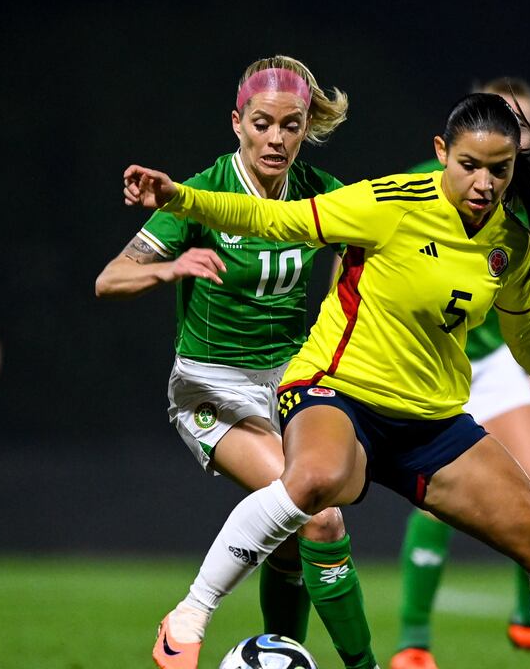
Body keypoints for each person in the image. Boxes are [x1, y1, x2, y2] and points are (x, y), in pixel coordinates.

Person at [123, 92, 530, 669]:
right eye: (469, 164)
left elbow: (529, 340)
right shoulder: (386, 201)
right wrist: (181, 198)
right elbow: (272, 219)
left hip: (431, 423)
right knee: (315, 483)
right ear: (441, 152)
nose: (484, 182)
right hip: (335, 391)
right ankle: (191, 615)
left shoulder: (512, 243)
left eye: (499, 169)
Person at [95, 56, 377, 669]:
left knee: (290, 534)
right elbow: (109, 278)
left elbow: (386, 233)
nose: (276, 139)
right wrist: (169, 267)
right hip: (211, 389)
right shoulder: (205, 193)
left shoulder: (318, 192)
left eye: (291, 125)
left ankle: (282, 653)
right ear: (237, 124)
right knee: (318, 514)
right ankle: (358, 665)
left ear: (305, 128)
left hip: (289, 385)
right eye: (262, 123)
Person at [392, 77, 530, 669]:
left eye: (524, 128)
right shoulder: (425, 180)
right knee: (434, 496)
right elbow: (351, 246)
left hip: (494, 360)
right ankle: (413, 641)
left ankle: (527, 619)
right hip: (428, 355)